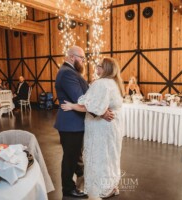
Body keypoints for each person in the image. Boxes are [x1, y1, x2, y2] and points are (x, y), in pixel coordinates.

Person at [54, 46, 114, 198]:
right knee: (70, 157)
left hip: (74, 122)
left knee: (75, 155)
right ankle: (68, 188)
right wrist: (102, 112)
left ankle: (81, 175)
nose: (83, 61)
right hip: (71, 123)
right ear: (72, 57)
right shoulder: (67, 73)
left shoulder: (70, 72)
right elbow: (81, 98)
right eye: (81, 58)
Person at [61, 57, 125, 199]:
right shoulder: (116, 83)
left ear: (106, 68)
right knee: (111, 156)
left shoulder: (101, 83)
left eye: (99, 65)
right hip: (114, 126)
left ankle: (100, 188)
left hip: (101, 127)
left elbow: (88, 106)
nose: (96, 67)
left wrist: (71, 105)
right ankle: (111, 185)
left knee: (100, 155)